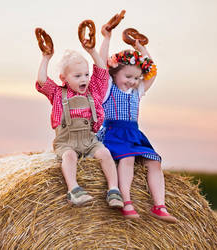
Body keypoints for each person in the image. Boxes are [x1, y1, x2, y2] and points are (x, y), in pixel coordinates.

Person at [97, 24, 178, 223]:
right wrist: (106, 38)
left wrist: (140, 47)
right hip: (113, 132)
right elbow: (100, 65)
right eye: (128, 76)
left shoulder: (137, 91)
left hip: (133, 134)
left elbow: (152, 72)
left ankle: (159, 206)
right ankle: (126, 202)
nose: (133, 81)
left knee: (154, 161)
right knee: (128, 159)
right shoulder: (108, 89)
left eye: (136, 77)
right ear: (114, 74)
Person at [36, 32, 123, 208]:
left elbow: (102, 73)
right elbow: (42, 81)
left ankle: (114, 190)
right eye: (77, 76)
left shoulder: (94, 91)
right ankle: (73, 189)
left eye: (85, 75)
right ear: (63, 78)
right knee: (69, 157)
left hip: (89, 140)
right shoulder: (58, 94)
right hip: (66, 142)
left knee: (105, 154)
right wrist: (46, 58)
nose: (83, 79)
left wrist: (92, 52)